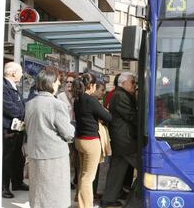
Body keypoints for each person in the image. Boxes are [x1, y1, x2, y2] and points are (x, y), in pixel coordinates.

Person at [25, 69, 75, 208]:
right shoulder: (57, 104)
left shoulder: (30, 103)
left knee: (39, 193)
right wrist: (72, 128)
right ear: (51, 83)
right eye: (58, 81)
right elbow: (68, 132)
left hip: (35, 153)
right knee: (55, 195)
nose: (59, 83)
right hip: (54, 156)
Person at [73, 73, 112, 208]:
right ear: (92, 85)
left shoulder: (77, 99)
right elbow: (108, 117)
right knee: (88, 178)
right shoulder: (91, 100)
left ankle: (81, 202)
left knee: (82, 174)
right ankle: (86, 205)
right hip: (91, 141)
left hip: (79, 140)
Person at [101, 72, 138, 208]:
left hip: (122, 139)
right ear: (123, 83)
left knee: (117, 170)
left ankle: (108, 199)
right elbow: (131, 116)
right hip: (125, 141)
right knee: (146, 165)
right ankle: (138, 196)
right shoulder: (120, 96)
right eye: (132, 82)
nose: (135, 85)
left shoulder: (121, 94)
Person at [2, 62, 28, 198]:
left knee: (18, 157)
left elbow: (21, 105)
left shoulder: (13, 86)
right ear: (13, 73)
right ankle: (4, 187)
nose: (22, 74)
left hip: (18, 128)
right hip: (8, 129)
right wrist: (23, 114)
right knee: (7, 158)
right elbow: (9, 108)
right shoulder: (3, 86)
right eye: (20, 71)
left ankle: (17, 182)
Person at [57, 72, 78, 190]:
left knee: (75, 156)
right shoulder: (60, 96)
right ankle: (67, 180)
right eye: (67, 82)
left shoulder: (78, 95)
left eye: (72, 82)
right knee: (67, 155)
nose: (69, 84)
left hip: (77, 127)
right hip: (66, 127)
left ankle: (74, 178)